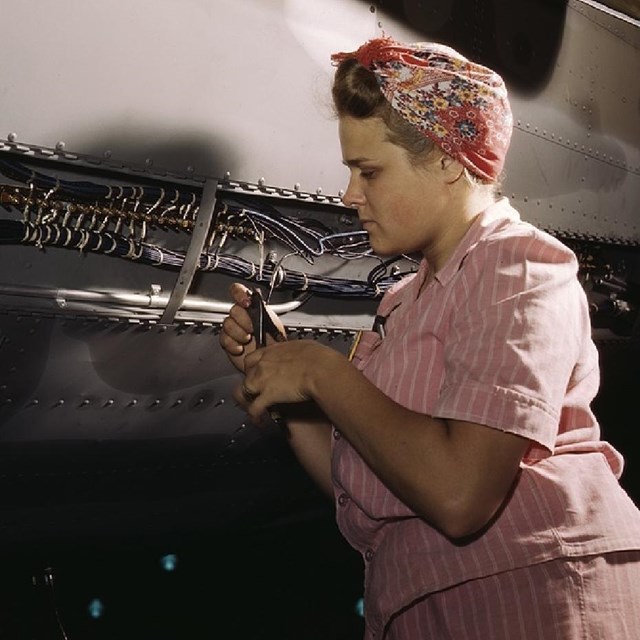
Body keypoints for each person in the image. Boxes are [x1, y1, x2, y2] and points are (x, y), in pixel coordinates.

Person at [219, 36, 640, 639]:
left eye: (369, 171)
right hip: (424, 608)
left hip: (534, 601)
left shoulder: (519, 265)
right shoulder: (402, 302)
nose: (349, 197)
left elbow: (459, 493)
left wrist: (322, 371)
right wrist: (286, 386)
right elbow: (370, 480)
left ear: (446, 161)